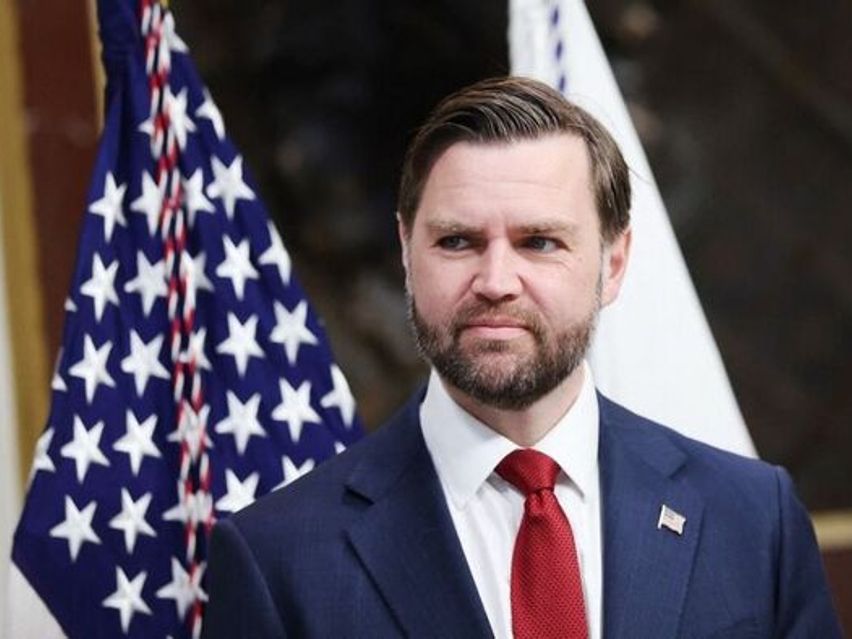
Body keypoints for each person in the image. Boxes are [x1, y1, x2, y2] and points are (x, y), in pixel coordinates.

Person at [201, 76, 842, 638]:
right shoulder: (278, 560)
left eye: (539, 242)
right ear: (406, 252)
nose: (496, 281)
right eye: (457, 241)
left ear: (614, 263)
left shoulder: (753, 519)